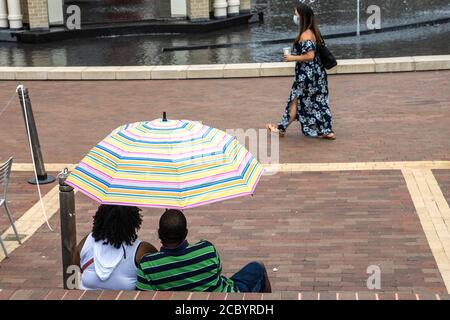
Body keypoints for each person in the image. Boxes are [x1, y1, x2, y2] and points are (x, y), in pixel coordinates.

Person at [136, 209, 271, 293]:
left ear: (159, 234)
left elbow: (145, 293)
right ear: (185, 233)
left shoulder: (147, 266)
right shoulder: (206, 250)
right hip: (226, 297)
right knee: (257, 267)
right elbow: (217, 271)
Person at [267, 3, 336, 140]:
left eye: (296, 13)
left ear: (302, 17)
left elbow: (309, 56)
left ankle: (281, 129)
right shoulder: (313, 31)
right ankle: (327, 130)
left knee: (295, 100)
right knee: (318, 101)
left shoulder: (305, 34)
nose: (294, 16)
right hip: (317, 74)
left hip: (306, 75)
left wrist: (292, 57)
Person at [74, 204, 157, 290]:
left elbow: (74, 272)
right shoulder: (142, 250)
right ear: (133, 222)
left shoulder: (86, 242)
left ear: (100, 218)